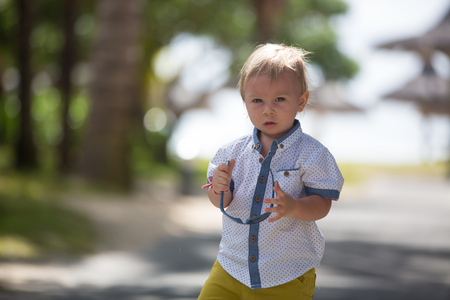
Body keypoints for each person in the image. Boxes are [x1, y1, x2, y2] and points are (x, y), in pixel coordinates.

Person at [198, 43, 344, 300]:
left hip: (284, 273)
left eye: (279, 99)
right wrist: (220, 188)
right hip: (231, 267)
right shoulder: (230, 153)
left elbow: (323, 204)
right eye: (257, 100)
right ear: (245, 102)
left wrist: (294, 207)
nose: (268, 108)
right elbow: (222, 201)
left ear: (301, 101)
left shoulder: (312, 153)